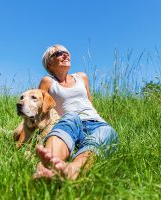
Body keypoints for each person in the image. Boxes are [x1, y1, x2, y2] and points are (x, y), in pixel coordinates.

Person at [34, 44, 118, 180]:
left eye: (66, 52)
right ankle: (46, 166)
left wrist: (99, 118)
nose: (65, 54)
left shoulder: (81, 77)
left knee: (107, 131)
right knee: (70, 116)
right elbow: (39, 109)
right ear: (49, 63)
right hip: (70, 122)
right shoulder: (48, 82)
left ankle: (73, 169)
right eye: (59, 53)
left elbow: (89, 102)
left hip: (95, 123)